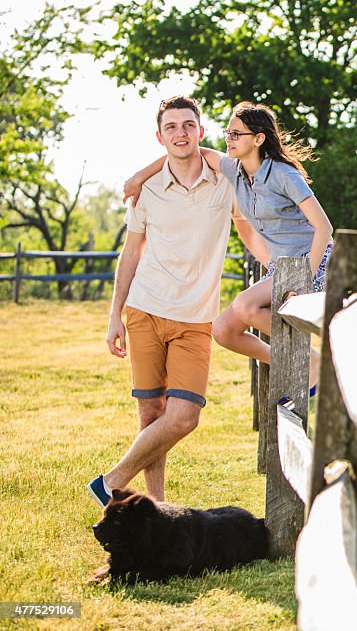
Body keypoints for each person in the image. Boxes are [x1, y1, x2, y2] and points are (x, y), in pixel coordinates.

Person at [89, 96, 265, 506]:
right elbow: (130, 253)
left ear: (200, 132)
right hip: (145, 308)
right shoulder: (147, 189)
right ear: (160, 136)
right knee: (151, 415)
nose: (180, 133)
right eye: (172, 127)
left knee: (183, 416)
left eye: (188, 125)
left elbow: (249, 232)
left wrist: (280, 268)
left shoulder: (226, 180)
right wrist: (114, 314)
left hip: (195, 318)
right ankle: (154, 508)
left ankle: (112, 481)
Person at [124, 101, 332, 391]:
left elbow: (324, 227)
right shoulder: (234, 171)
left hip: (313, 262)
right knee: (223, 331)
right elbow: (190, 152)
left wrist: (304, 278)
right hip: (282, 266)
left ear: (258, 139)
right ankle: (297, 360)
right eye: (228, 133)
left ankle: (320, 355)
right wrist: (139, 177)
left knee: (245, 305)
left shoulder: (284, 174)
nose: (229, 140)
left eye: (237, 134)